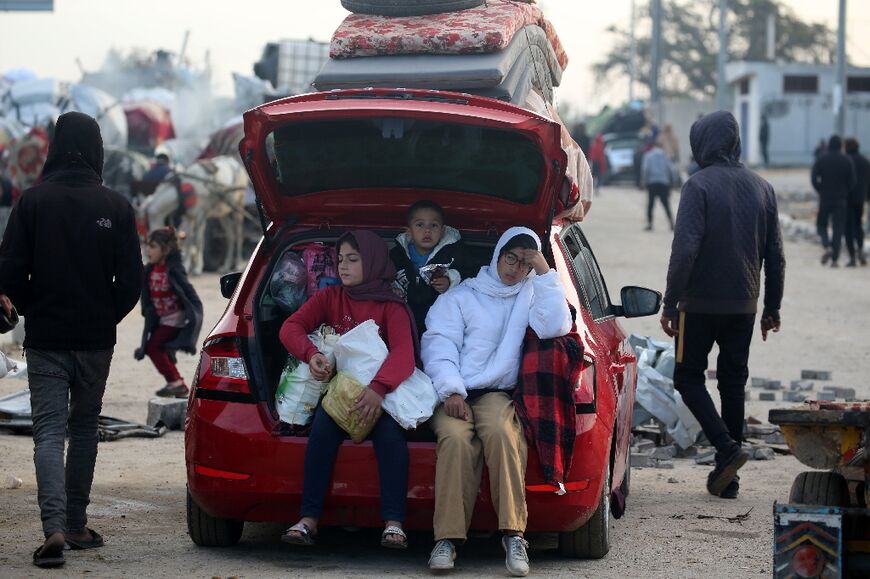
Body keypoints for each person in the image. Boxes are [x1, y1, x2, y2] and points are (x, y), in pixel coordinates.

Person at [0, 112, 143, 568]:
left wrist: (29, 306)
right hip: (96, 341)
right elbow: (131, 282)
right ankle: (78, 524)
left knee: (48, 432)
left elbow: (8, 274)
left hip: (45, 339)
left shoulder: (32, 202)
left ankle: (54, 529)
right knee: (83, 428)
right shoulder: (117, 207)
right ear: (96, 148)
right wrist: (104, 317)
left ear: (56, 147)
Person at [422, 227, 572, 577]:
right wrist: (452, 389)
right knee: (456, 440)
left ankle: (514, 534)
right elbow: (438, 344)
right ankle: (447, 539)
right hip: (453, 392)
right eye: (511, 258)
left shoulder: (531, 294)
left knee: (504, 435)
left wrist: (545, 272)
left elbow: (555, 326)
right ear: (498, 254)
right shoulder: (461, 296)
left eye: (524, 263)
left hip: (496, 394)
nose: (515, 269)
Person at [661, 111, 785, 500]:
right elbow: (776, 256)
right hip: (744, 306)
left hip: (698, 304)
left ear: (702, 144)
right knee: (733, 382)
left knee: (687, 378)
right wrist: (771, 309)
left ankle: (726, 448)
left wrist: (670, 303)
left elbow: (684, 252)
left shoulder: (697, 186)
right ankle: (728, 480)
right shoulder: (763, 188)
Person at [279, 230, 416, 549]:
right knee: (321, 436)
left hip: (381, 397)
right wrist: (311, 354)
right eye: (340, 259)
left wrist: (378, 390)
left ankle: (394, 523)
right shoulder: (330, 297)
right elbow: (290, 328)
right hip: (339, 395)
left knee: (391, 440)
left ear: (372, 261)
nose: (343, 266)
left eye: (353, 259)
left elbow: (404, 354)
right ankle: (308, 520)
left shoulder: (391, 307)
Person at [134, 226, 203, 398]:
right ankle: (176, 383)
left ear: (165, 250)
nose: (148, 250)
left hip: (175, 319)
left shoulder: (174, 270)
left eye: (153, 246)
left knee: (153, 347)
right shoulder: (149, 269)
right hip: (160, 318)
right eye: (147, 246)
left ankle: (176, 383)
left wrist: (194, 314)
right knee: (158, 347)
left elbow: (190, 294)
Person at [390, 200, 464, 333]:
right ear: (409, 232)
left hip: (439, 322)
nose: (427, 230)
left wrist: (450, 280)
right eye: (420, 225)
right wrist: (391, 289)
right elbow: (381, 276)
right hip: (401, 319)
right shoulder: (396, 256)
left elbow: (471, 273)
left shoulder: (452, 255)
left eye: (434, 225)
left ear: (442, 231)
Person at [811, 135, 856, 267]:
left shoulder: (821, 158)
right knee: (838, 228)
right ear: (840, 145)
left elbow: (814, 178)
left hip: (825, 198)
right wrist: (844, 192)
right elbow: (852, 181)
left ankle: (826, 245)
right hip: (841, 200)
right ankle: (835, 260)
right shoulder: (847, 160)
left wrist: (820, 190)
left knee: (821, 225)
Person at [641, 138, 677, 231]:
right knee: (666, 204)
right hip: (663, 183)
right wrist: (673, 182)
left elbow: (645, 169)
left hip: (652, 183)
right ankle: (671, 223)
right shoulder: (665, 156)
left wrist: (644, 181)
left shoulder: (648, 156)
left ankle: (650, 224)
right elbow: (671, 170)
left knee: (650, 204)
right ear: (661, 146)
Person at [844, 138, 869, 266]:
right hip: (860, 199)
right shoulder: (865, 161)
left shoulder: (845, 161)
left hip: (846, 199)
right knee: (858, 225)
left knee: (848, 228)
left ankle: (852, 257)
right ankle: (861, 251)